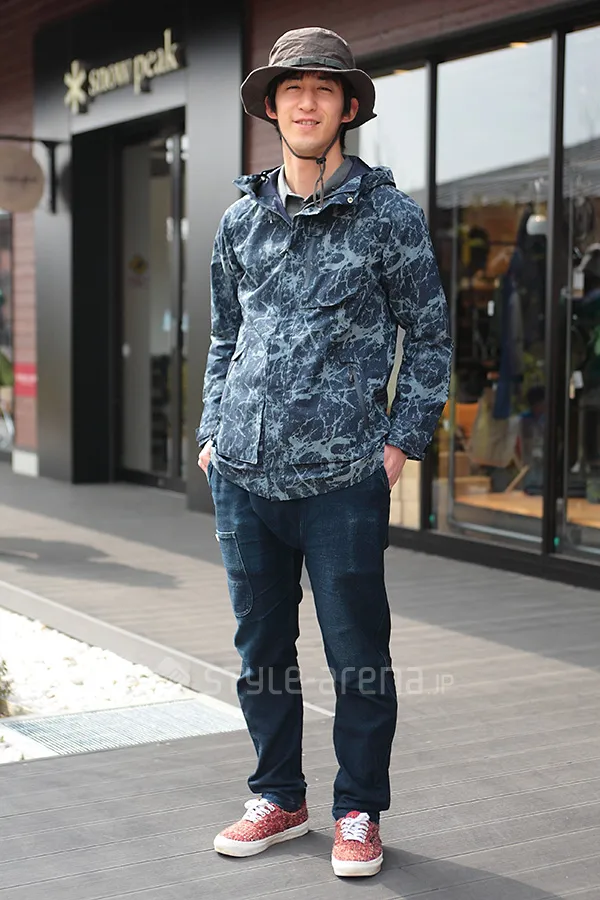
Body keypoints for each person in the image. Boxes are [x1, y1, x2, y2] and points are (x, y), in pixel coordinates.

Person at [197, 27, 452, 878]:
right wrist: (210, 431)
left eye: (323, 89)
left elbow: (430, 339)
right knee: (261, 654)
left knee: (357, 655)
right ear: (272, 108)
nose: (306, 102)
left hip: (344, 478)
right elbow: (224, 336)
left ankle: (358, 810)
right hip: (243, 474)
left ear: (347, 108)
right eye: (291, 89)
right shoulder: (240, 221)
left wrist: (401, 442)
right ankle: (279, 796)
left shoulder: (387, 217)